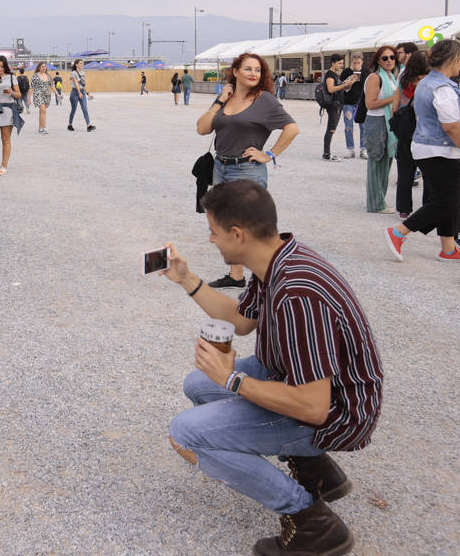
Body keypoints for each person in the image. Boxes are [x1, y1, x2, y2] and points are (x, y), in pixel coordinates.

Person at [161, 179, 383, 556]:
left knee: (186, 435)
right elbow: (242, 321)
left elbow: (314, 406)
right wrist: (187, 279)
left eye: (214, 233)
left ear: (237, 234)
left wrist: (232, 380)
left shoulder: (298, 293)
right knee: (199, 384)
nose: (211, 240)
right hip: (297, 383)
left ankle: (312, 522)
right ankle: (317, 473)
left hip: (336, 413)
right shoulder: (278, 258)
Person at [195, 52, 299, 288]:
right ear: (235, 71)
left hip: (247, 170)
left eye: (258, 70)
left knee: (251, 227)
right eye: (248, 69)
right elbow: (202, 129)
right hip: (221, 167)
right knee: (228, 224)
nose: (254, 74)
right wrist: (220, 100)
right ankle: (236, 276)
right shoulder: (226, 98)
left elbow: (292, 128)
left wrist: (269, 154)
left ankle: (266, 279)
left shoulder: (264, 100)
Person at [383, 39, 460, 264]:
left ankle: (448, 247)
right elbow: (451, 126)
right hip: (438, 150)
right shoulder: (442, 87)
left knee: (451, 197)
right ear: (452, 60)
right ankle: (399, 232)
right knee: (446, 200)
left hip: (431, 148)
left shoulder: (428, 82)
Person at [361, 46, 400, 213]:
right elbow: (370, 103)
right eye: (385, 58)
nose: (389, 60)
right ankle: (375, 204)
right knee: (377, 161)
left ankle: (380, 200)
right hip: (376, 122)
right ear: (378, 61)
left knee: (386, 161)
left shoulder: (391, 76)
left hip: (388, 121)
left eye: (392, 57)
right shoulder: (375, 78)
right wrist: (395, 97)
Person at [393, 51, 429, 219]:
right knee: (428, 173)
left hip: (405, 133)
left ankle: (404, 209)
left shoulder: (402, 81)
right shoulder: (428, 82)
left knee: (405, 173)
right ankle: (427, 207)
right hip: (423, 133)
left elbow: (395, 107)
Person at [0, 55, 22, 174]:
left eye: (1, 66)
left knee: (5, 139)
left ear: (5, 66)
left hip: (7, 110)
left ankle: (4, 166)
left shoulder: (11, 77)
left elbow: (19, 95)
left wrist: (11, 92)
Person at [321, 54, 354, 161]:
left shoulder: (335, 74)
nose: (341, 65)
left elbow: (337, 89)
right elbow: (330, 89)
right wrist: (344, 85)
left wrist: (346, 86)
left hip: (338, 104)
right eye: (339, 63)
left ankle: (326, 153)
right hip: (334, 105)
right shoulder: (330, 74)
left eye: (342, 63)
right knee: (331, 129)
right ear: (333, 63)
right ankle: (326, 154)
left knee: (332, 129)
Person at [339, 54, 366, 158]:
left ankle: (363, 149)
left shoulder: (366, 71)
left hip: (361, 103)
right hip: (348, 102)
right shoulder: (346, 72)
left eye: (358, 63)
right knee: (348, 126)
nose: (356, 65)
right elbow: (340, 86)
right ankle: (350, 149)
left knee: (363, 126)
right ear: (351, 62)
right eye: (354, 63)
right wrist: (347, 85)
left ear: (362, 62)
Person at [68, 59, 95, 131]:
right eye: (80, 63)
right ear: (76, 64)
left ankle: (88, 125)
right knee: (73, 109)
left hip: (82, 92)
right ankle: (70, 124)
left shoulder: (83, 73)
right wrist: (79, 93)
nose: (82, 64)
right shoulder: (73, 73)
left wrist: (87, 93)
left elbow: (82, 84)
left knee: (85, 108)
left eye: (82, 63)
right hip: (75, 93)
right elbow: (76, 83)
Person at [31, 62, 52, 133]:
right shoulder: (35, 76)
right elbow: (32, 87)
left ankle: (40, 127)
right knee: (43, 111)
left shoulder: (48, 75)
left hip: (47, 95)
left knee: (41, 112)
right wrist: (28, 98)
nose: (44, 68)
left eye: (45, 67)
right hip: (38, 94)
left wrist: (57, 94)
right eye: (42, 67)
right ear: (39, 67)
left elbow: (52, 85)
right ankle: (44, 128)